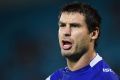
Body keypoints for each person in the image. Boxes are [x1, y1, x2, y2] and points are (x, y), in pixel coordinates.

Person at [46, 2, 119, 80]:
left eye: (74, 26)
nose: (66, 32)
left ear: (93, 34)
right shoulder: (56, 77)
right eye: (62, 25)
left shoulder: (104, 77)